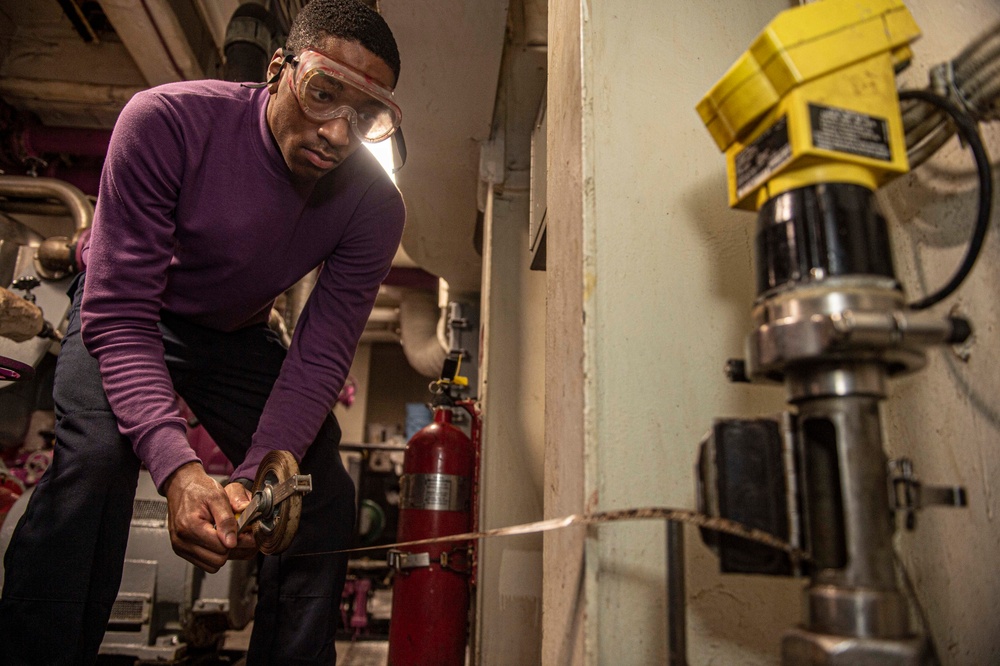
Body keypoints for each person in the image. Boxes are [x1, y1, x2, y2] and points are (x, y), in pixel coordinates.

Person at [0, 0, 405, 663]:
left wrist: (260, 471)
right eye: (323, 94)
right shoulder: (166, 122)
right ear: (279, 70)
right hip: (132, 313)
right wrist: (179, 472)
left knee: (320, 492)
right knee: (95, 463)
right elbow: (122, 313)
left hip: (236, 334)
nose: (338, 132)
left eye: (366, 117)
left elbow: (321, 351)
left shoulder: (374, 206)